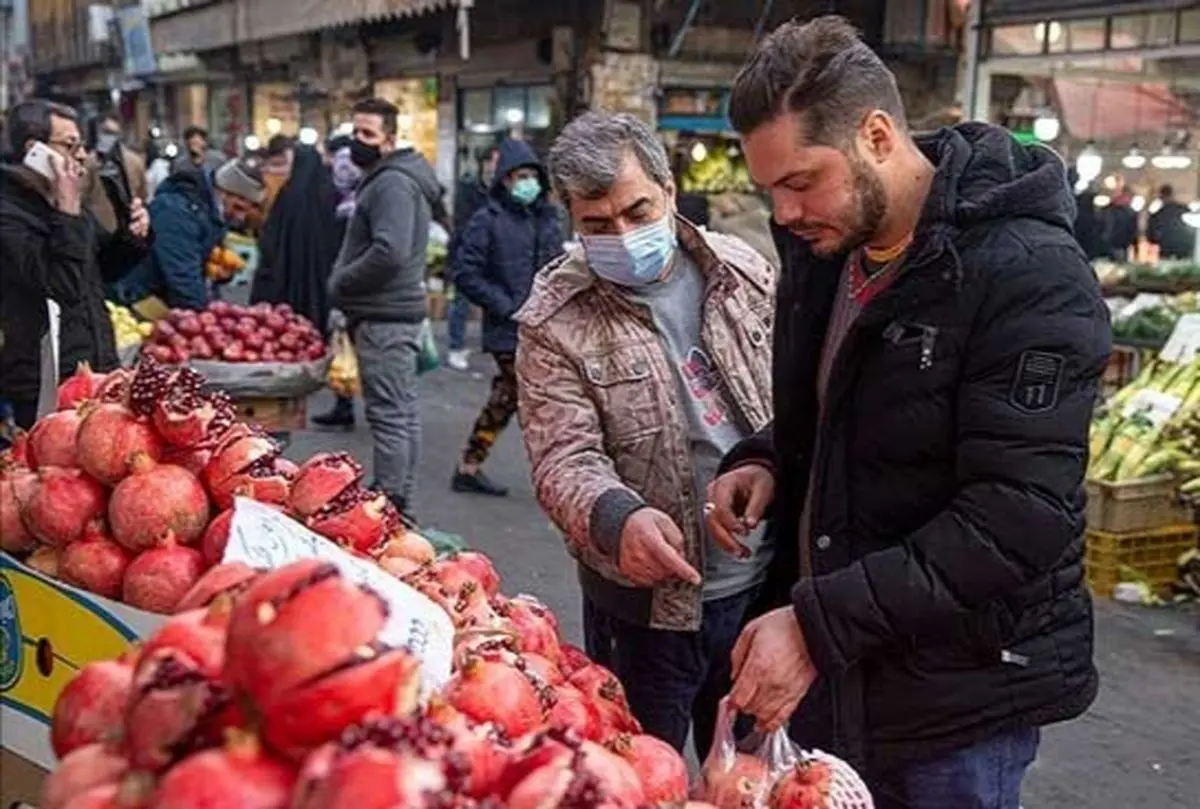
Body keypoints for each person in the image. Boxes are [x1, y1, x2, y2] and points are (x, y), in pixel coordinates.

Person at [705, 17, 1110, 807]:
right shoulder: (828, 248)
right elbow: (847, 411)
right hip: (841, 669)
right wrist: (766, 457)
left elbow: (1018, 514)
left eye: (800, 181)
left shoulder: (1030, 276)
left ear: (877, 136)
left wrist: (817, 623)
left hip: (955, 701)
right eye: (769, 189)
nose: (783, 212)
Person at [516, 112, 776, 759]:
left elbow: (792, 399)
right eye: (599, 225)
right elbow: (562, 455)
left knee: (751, 778)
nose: (625, 237)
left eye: (638, 212)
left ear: (669, 190)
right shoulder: (554, 319)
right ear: (572, 220)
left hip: (764, 590)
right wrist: (617, 517)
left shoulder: (742, 271)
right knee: (638, 773)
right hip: (645, 614)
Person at [1, 99, 151, 428]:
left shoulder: (64, 203)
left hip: (96, 368)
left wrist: (132, 237)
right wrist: (67, 212)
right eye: (69, 145)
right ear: (34, 150)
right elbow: (61, 286)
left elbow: (100, 271)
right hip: (45, 384)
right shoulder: (9, 213)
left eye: (81, 145)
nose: (81, 155)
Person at [327, 98, 443, 517]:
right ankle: (398, 499)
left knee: (390, 415)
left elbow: (390, 251)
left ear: (390, 140)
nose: (358, 141)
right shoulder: (391, 178)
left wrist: (343, 280)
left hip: (384, 316)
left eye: (368, 134)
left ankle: (391, 502)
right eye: (355, 132)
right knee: (401, 412)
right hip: (391, 312)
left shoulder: (392, 183)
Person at [450, 139, 565, 497]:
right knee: (537, 398)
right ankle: (559, 475)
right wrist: (507, 306)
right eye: (520, 176)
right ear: (505, 180)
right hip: (508, 329)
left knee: (507, 398)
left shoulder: (548, 219)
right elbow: (466, 273)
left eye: (532, 176)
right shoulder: (488, 220)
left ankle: (469, 465)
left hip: (545, 327)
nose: (527, 183)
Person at [117, 156, 265, 311]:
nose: (240, 217)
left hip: (164, 299)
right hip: (140, 299)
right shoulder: (176, 209)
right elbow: (181, 272)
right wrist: (205, 314)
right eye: (238, 207)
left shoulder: (211, 212)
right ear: (223, 192)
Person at [251, 145, 340, 333]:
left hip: (285, 276)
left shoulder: (288, 194)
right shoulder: (329, 193)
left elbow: (271, 239)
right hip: (321, 276)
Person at [311, 138, 364, 431]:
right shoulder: (360, 196)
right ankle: (347, 404)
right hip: (356, 279)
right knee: (348, 341)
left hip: (351, 280)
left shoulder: (345, 205)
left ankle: (350, 405)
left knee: (347, 339)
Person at [447, 145, 501, 371]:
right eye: (493, 161)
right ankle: (455, 347)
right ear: (485, 163)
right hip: (468, 251)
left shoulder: (500, 190)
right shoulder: (469, 187)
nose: (496, 166)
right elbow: (462, 222)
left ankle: (494, 345)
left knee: (494, 299)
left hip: (495, 252)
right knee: (461, 300)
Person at [85, 112, 149, 231]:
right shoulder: (89, 162)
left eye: (112, 133)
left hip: (127, 225)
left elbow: (142, 195)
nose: (108, 138)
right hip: (99, 227)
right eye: (106, 132)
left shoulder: (134, 161)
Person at [1148, 184, 1196, 260]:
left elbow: (1151, 237)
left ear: (1161, 197)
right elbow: (1193, 231)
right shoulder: (1184, 209)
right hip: (1184, 249)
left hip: (1165, 251)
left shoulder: (1157, 215)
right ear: (1172, 194)